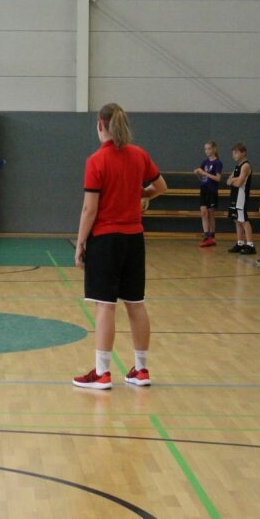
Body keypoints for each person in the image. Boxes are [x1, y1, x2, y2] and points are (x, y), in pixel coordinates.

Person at [73, 103, 167, 390]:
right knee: (136, 303)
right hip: (134, 239)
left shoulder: (96, 161)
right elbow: (161, 186)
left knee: (106, 305)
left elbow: (90, 209)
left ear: (100, 125)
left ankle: (102, 373)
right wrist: (142, 195)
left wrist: (80, 243)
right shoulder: (139, 155)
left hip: (105, 240)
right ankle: (141, 369)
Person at [226, 143, 255, 255]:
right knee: (236, 219)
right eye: (233, 153)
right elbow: (228, 181)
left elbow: (238, 183)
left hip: (241, 195)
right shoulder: (238, 166)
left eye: (236, 152)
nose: (234, 155)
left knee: (243, 220)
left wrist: (233, 180)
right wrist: (234, 180)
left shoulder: (245, 166)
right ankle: (240, 243)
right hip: (235, 195)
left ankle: (250, 245)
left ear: (243, 153)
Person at [193, 140, 223, 247]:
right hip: (204, 189)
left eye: (209, 148)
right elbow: (202, 176)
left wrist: (205, 173)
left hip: (212, 190)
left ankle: (212, 236)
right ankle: (206, 235)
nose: (207, 151)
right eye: (205, 149)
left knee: (211, 213)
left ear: (214, 149)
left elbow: (218, 178)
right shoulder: (205, 162)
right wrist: (198, 172)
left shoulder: (218, 163)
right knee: (203, 212)